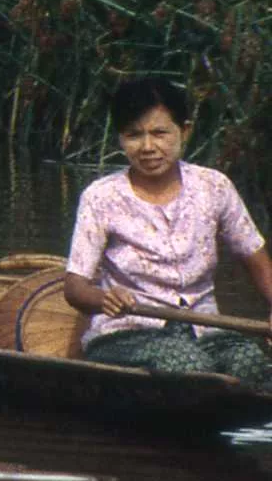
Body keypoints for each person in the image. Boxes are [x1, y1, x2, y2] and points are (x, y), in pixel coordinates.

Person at [63, 79, 272, 387]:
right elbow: (74, 287)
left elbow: (254, 257)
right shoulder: (101, 197)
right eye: (134, 135)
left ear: (183, 132)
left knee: (251, 363)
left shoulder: (214, 186)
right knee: (189, 365)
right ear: (120, 138)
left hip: (205, 330)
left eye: (160, 133)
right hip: (127, 334)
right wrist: (104, 298)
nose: (148, 147)